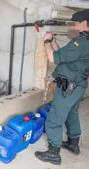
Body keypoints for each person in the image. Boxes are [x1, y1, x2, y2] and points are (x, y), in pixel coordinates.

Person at [35, 9, 89, 165]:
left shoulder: (80, 43)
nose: (74, 26)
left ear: (85, 24)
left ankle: (53, 153)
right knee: (72, 113)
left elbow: (53, 58)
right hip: (78, 86)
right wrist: (52, 42)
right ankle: (73, 144)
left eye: (77, 23)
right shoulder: (83, 43)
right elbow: (66, 55)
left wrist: (45, 41)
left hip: (69, 87)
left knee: (54, 118)